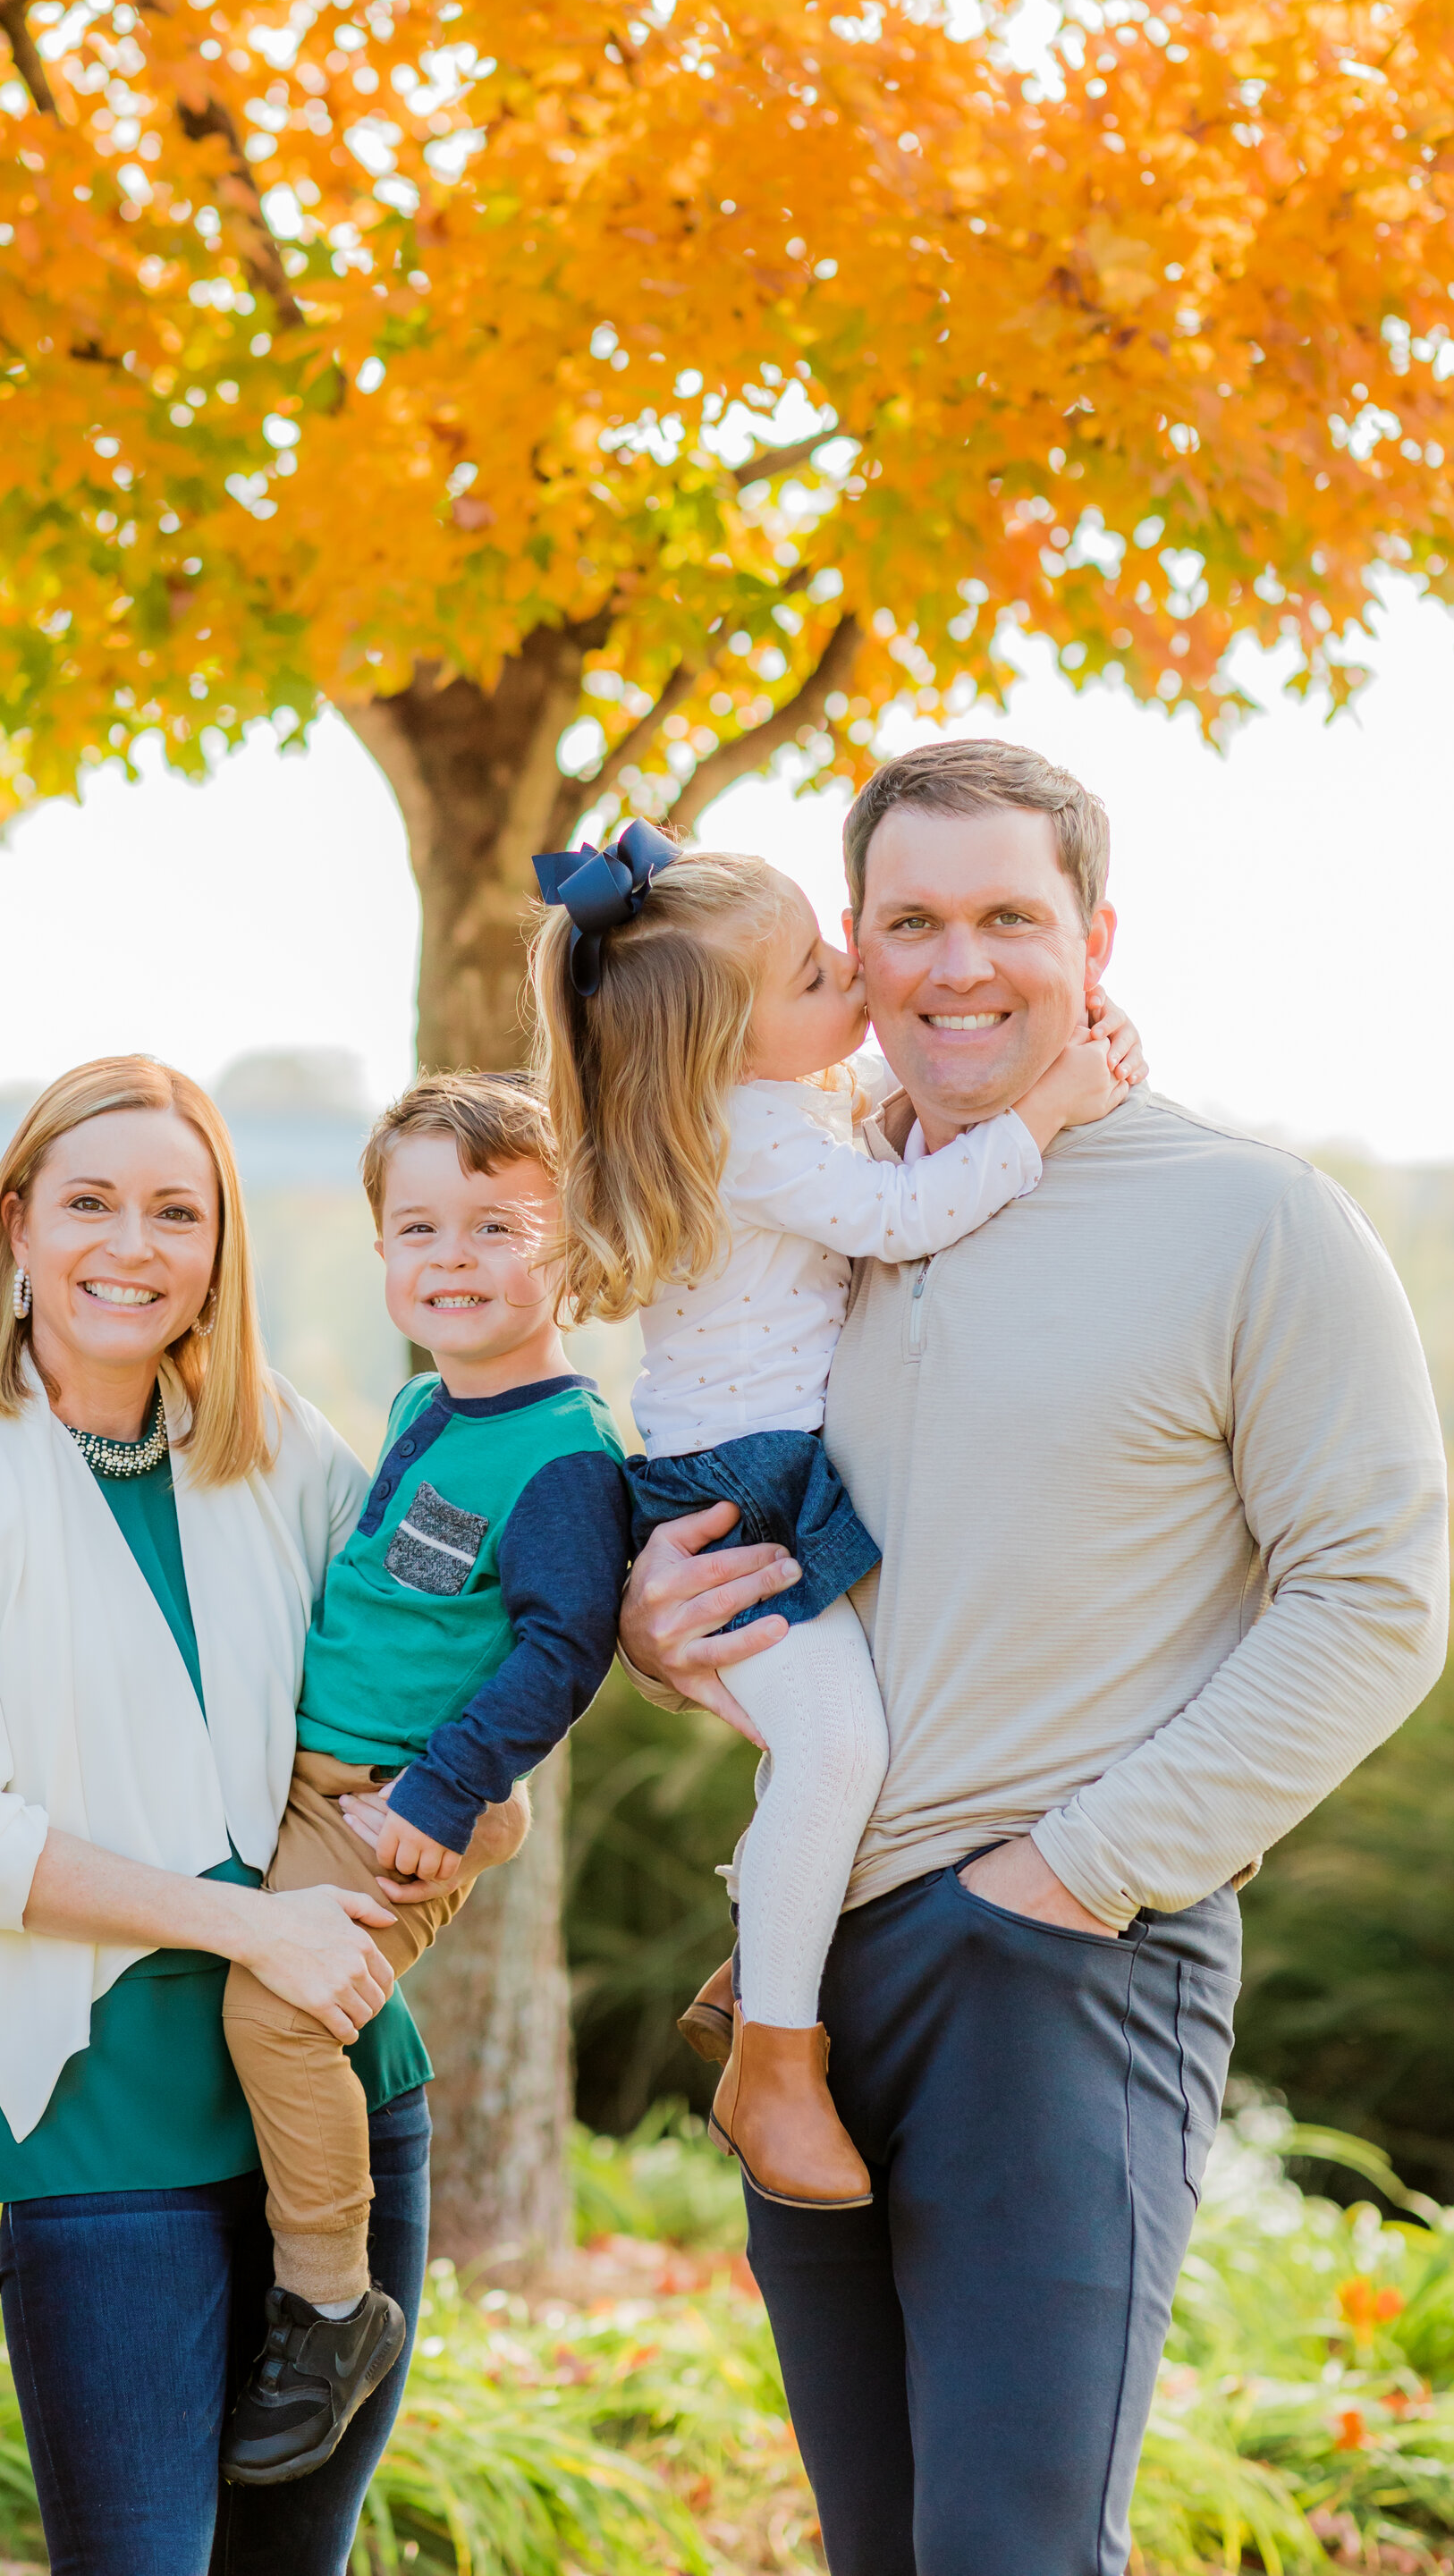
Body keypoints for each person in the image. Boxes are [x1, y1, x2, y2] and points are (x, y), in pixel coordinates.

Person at [618, 739, 1450, 2576]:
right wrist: (655, 1626)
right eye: (908, 922)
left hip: (1062, 1969)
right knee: (887, 2549)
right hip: (806, 1993)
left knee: (1007, 2550)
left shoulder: (1250, 1220)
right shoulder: (812, 1216)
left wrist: (1069, 1877)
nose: (957, 965)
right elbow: (763, 1520)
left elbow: (1373, 1599)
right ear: (848, 948)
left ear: (1093, 939)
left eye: (1009, 916)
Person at [0, 1055, 527, 2576]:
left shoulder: (269, 1440)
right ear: (16, 1223)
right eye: (89, 1202)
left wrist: (519, 1737)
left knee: (296, 2561)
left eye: (174, 1211)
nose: (131, 1246)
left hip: (333, 2084)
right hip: (102, 2090)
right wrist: (247, 1921)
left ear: (219, 1250)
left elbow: (446, 1614)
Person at [528, 823, 1140, 2209]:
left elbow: (877, 1120)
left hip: (759, 1472)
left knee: (857, 1734)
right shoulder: (750, 1133)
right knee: (842, 1740)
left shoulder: (757, 1107)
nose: (855, 978)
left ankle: (770, 1950)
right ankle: (774, 2060)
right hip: (737, 1496)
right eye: (818, 971)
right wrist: (1047, 1112)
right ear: (730, 1041)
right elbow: (908, 1211)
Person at [216, 1072, 632, 2479]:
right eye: (420, 1228)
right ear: (383, 1250)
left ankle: (331, 2303)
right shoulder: (420, 1404)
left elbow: (566, 1648)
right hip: (310, 1776)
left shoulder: (570, 1454)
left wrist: (450, 1798)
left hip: (389, 1811)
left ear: (570, 1249)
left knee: (276, 2018)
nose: (453, 1258)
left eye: (498, 1227)